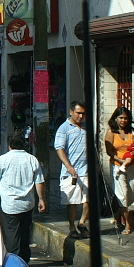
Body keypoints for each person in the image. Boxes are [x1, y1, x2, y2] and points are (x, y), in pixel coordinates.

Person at [0, 133, 46, 261]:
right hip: (27, 204)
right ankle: (24, 261)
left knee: (12, 235)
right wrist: (41, 199)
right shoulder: (32, 159)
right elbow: (39, 181)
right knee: (25, 234)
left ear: (10, 145)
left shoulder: (3, 159)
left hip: (10, 205)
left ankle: (14, 262)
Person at [104, 107, 134, 234]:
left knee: (131, 193)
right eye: (121, 118)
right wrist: (120, 161)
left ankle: (117, 215)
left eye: (126, 118)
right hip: (117, 166)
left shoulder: (132, 132)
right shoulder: (111, 132)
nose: (123, 120)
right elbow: (109, 151)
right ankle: (127, 224)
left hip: (131, 166)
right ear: (115, 118)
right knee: (123, 195)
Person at [55, 100, 89, 237]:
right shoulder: (64, 128)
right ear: (71, 112)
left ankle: (82, 223)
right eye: (78, 113)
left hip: (86, 170)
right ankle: (72, 227)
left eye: (83, 114)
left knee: (88, 199)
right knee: (72, 202)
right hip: (71, 173)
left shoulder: (86, 128)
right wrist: (68, 166)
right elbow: (59, 148)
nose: (81, 116)